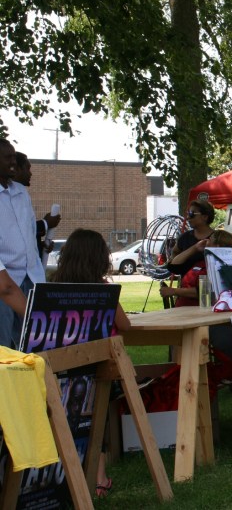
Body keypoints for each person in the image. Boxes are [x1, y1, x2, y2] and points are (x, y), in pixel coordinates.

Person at [50, 228, 131, 497]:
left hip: (60, 374)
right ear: (99, 258)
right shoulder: (102, 290)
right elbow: (124, 325)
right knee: (101, 415)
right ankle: (99, 477)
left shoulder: (53, 288)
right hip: (100, 372)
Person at [0, 139, 46, 348]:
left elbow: (29, 233)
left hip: (31, 277)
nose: (13, 162)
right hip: (6, 279)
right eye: (7, 158)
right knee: (4, 346)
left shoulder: (21, 192)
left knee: (30, 345)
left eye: (14, 157)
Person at [159, 229, 232, 306]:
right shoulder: (202, 262)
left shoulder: (215, 265)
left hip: (196, 313)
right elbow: (173, 266)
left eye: (210, 239)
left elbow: (205, 293)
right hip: (185, 311)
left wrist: (174, 291)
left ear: (217, 246)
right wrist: (195, 248)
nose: (206, 241)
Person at [13, 152, 61, 258]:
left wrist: (38, 245)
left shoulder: (22, 193)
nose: (30, 173)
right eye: (27, 168)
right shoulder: (9, 195)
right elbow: (15, 230)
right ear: (16, 169)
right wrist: (46, 223)